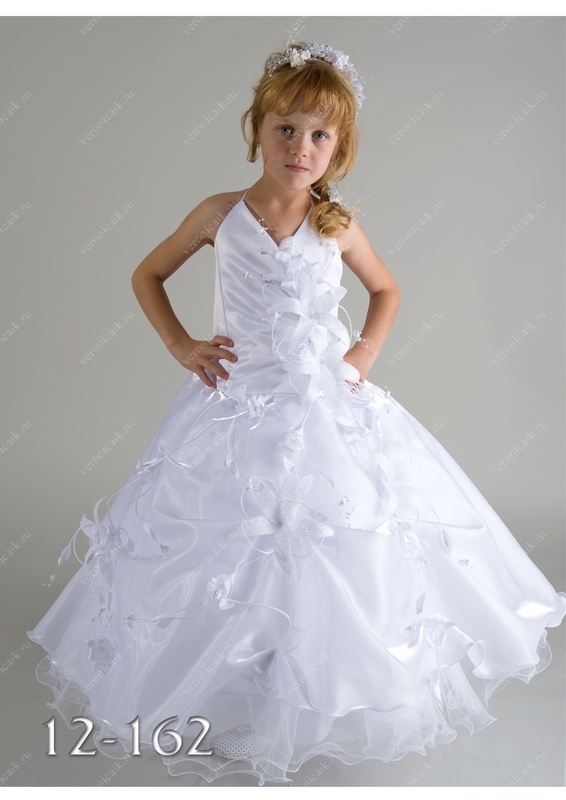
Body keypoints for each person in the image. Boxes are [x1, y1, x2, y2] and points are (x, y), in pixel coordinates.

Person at [27, 41, 566, 787]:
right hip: (234, 408)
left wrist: (360, 358)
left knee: (334, 537)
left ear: (339, 148)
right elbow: (148, 272)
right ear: (257, 129)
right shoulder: (220, 214)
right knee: (231, 541)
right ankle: (225, 682)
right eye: (286, 128)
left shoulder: (334, 224)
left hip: (323, 408)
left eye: (319, 135)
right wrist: (182, 344)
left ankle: (318, 686)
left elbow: (387, 291)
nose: (300, 147)